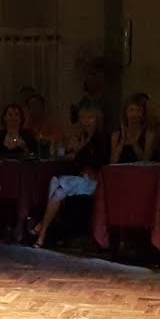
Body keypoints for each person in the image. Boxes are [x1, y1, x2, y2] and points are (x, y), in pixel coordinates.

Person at [32, 106, 108, 248]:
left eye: (90, 118)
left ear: (97, 119)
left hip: (95, 182)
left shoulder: (101, 139)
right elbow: (75, 160)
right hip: (81, 179)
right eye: (83, 118)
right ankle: (47, 231)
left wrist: (82, 158)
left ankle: (43, 230)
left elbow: (98, 161)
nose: (86, 121)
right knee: (55, 182)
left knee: (60, 186)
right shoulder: (82, 138)